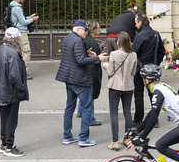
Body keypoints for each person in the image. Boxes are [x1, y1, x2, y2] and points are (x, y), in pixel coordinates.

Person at [56, 19, 108, 147]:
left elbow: (72, 56)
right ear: (78, 29)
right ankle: (83, 139)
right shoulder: (78, 40)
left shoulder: (68, 38)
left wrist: (86, 53)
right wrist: (97, 58)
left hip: (68, 78)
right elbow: (80, 60)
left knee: (70, 107)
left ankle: (67, 136)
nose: (86, 32)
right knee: (87, 107)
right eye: (85, 30)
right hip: (80, 79)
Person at [0, 27, 29, 156]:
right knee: (12, 120)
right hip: (11, 91)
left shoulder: (1, 49)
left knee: (4, 118)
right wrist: (21, 88)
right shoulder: (13, 52)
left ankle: (4, 144)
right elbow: (14, 75)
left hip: (1, 88)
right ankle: (9, 146)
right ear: (15, 39)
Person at [130, 13, 166, 126]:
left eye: (136, 22)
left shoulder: (140, 36)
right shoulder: (155, 34)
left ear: (140, 22)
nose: (135, 25)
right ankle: (154, 119)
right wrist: (156, 63)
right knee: (153, 94)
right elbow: (162, 50)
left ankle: (138, 119)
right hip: (152, 67)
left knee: (138, 94)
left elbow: (134, 53)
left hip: (140, 68)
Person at [105, 31, 137, 151]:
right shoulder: (133, 54)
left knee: (114, 113)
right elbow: (133, 72)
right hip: (129, 85)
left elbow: (110, 72)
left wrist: (105, 67)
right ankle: (127, 138)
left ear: (118, 42)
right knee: (127, 111)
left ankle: (115, 141)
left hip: (115, 85)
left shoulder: (113, 54)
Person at [77, 20, 103, 126]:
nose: (100, 29)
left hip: (85, 70)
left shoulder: (85, 39)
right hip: (92, 70)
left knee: (85, 93)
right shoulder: (92, 42)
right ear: (92, 29)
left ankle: (80, 112)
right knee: (91, 95)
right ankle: (91, 119)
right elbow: (97, 57)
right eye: (98, 27)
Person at [9, 0, 38, 79]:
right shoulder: (17, 8)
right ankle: (23, 73)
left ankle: (17, 72)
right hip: (21, 32)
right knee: (26, 52)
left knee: (19, 52)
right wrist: (33, 19)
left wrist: (30, 17)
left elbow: (21, 19)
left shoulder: (13, 6)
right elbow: (23, 22)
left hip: (16, 32)